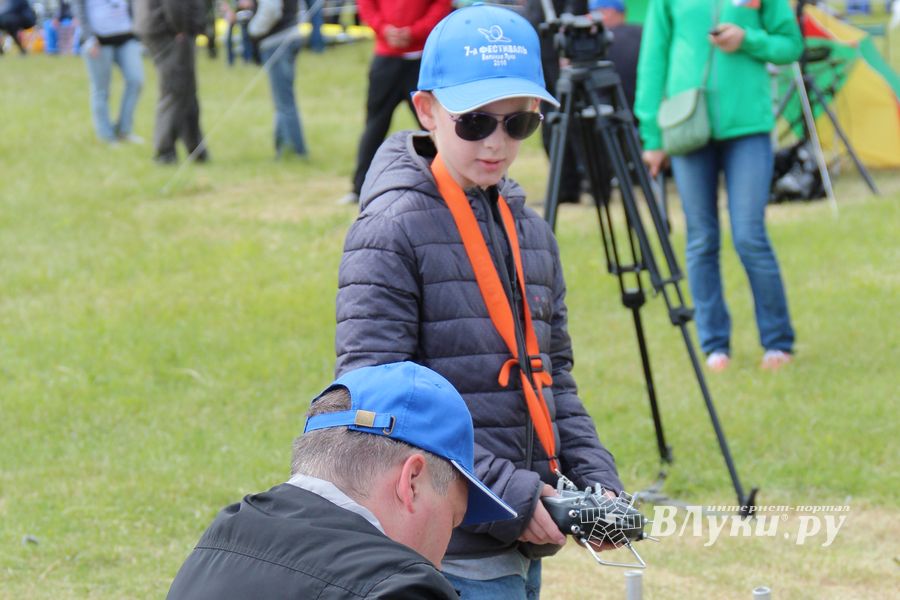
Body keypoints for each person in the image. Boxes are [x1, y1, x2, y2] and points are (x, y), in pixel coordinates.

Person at [335, 5, 623, 597]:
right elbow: (378, 405)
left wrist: (595, 482)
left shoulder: (530, 231)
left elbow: (554, 377)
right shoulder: (390, 228)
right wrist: (509, 494)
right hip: (440, 549)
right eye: (474, 123)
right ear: (427, 110)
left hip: (518, 535)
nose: (496, 143)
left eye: (519, 123)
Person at [166, 362, 517, 599]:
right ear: (411, 481)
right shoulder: (404, 588)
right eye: (452, 520)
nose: (440, 561)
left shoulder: (218, 543)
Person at [635, 0, 800, 372]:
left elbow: (790, 45)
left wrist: (748, 39)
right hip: (687, 124)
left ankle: (777, 341)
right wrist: (651, 135)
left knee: (749, 234)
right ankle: (714, 345)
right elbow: (654, 58)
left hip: (750, 128)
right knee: (701, 238)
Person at [335, 0, 452, 205]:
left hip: (420, 61)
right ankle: (359, 187)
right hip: (386, 59)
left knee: (436, 127)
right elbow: (366, 6)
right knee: (374, 125)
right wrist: (384, 29)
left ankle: (450, 182)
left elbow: (441, 6)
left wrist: (414, 32)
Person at [133, 0, 209, 164]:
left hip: (166, 28)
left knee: (186, 91)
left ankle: (196, 149)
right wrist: (180, 29)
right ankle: (164, 152)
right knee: (175, 91)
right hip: (170, 32)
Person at [72, 0, 144, 145]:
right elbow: (78, 8)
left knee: (136, 80)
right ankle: (106, 135)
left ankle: (124, 130)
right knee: (101, 89)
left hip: (126, 36)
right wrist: (89, 38)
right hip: (98, 40)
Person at [248, 0, 308, 158]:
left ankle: (297, 151)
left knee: (284, 102)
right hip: (289, 34)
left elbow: (271, 9)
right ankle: (283, 148)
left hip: (278, 40)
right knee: (283, 100)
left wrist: (252, 30)